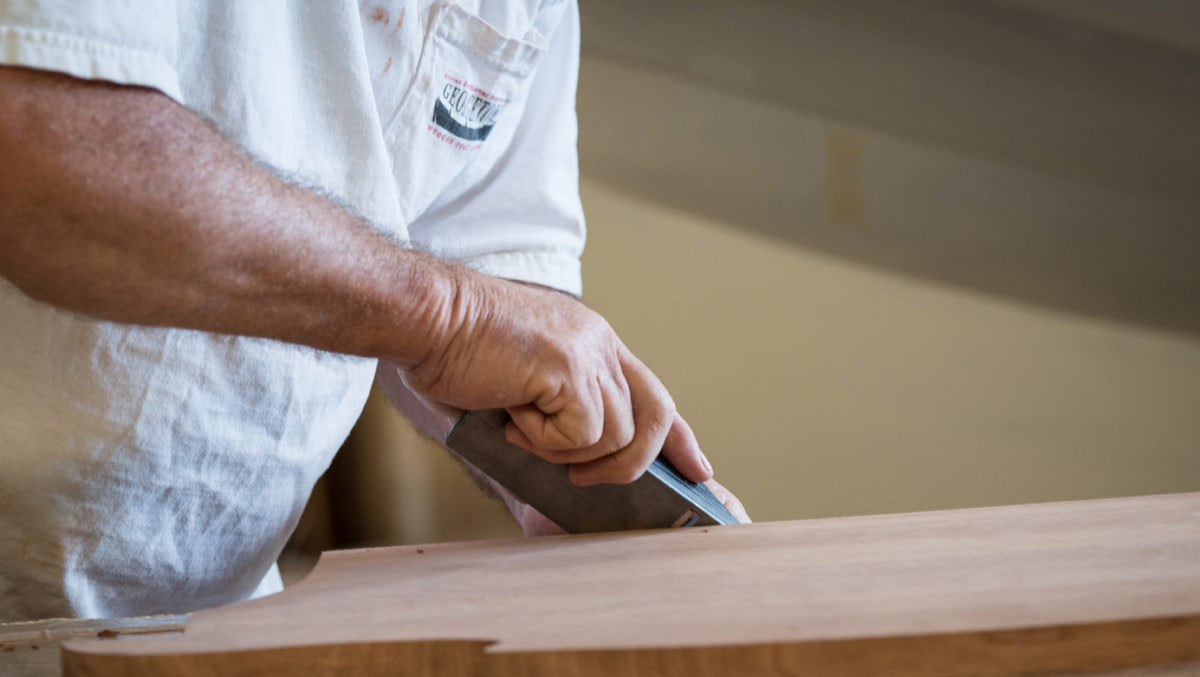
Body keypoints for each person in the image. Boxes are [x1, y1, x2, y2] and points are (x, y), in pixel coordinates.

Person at [0, 0, 747, 634]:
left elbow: (494, 267)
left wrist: (583, 474)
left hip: (203, 613)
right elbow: (40, 152)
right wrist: (449, 315)